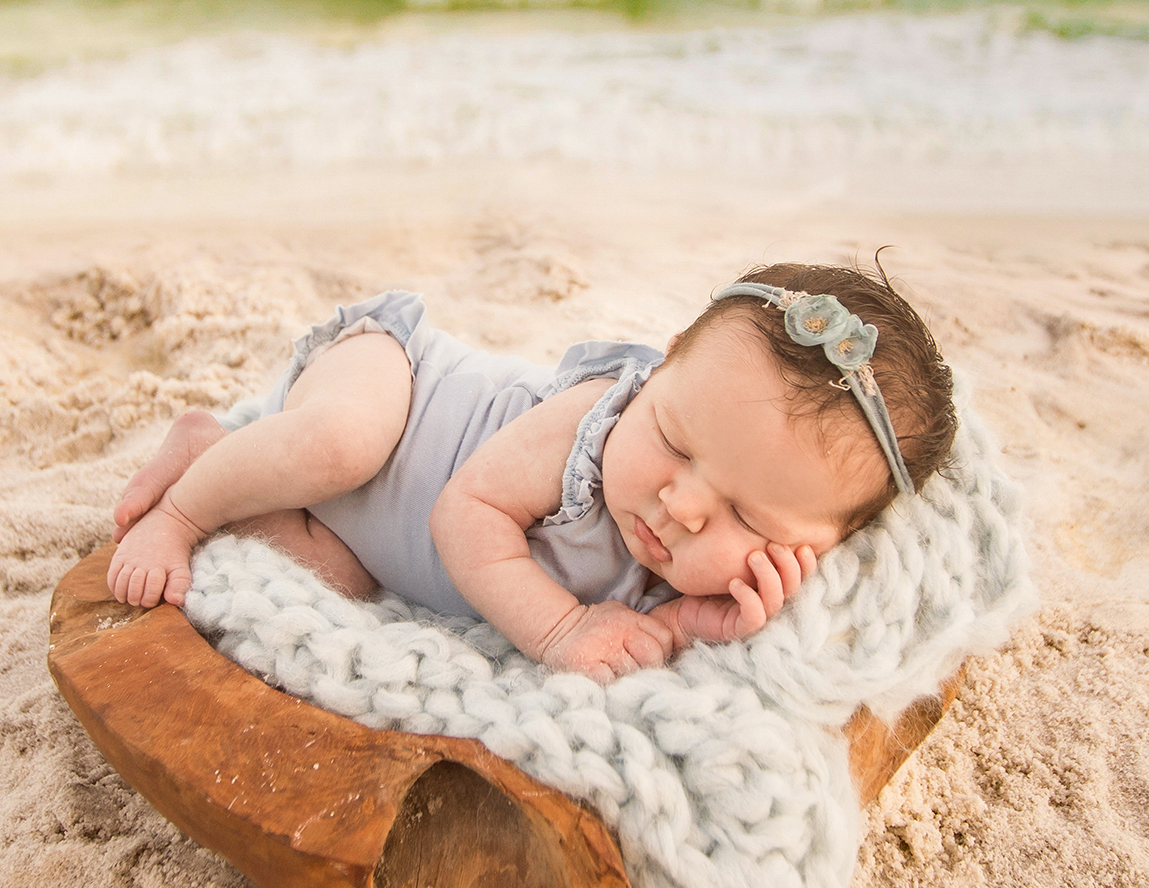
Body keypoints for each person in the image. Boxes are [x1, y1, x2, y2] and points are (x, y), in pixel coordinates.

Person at [107, 262, 957, 682]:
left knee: (330, 579)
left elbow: (639, 635)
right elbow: (463, 513)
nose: (685, 504)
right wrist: (557, 634)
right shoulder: (598, 420)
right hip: (393, 385)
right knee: (337, 447)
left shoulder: (689, 557)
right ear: (658, 375)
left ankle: (215, 448)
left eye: (753, 522)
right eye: (675, 439)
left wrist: (703, 622)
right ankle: (185, 503)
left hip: (352, 533)